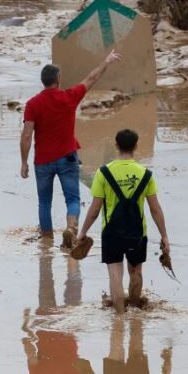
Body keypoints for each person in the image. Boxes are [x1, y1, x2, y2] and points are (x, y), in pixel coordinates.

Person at [20, 49, 122, 246]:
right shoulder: (69, 97)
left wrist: (23, 162)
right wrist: (106, 61)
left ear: (43, 81)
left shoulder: (32, 104)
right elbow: (91, 78)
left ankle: (47, 241)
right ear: (58, 79)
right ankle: (71, 229)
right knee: (73, 199)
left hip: (42, 161)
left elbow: (26, 136)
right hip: (67, 157)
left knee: (44, 202)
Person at [76, 129, 170, 314]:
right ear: (136, 146)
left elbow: (95, 209)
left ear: (116, 146)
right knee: (136, 273)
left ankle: (119, 320)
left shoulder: (103, 173)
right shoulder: (145, 175)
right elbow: (155, 209)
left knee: (115, 277)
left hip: (111, 233)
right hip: (137, 233)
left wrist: (82, 232)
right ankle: (135, 314)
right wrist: (164, 236)